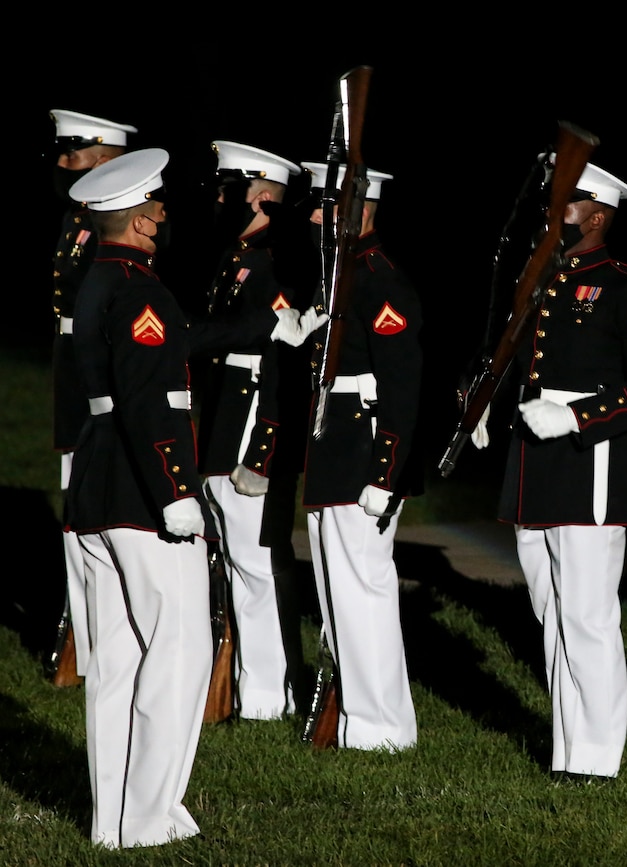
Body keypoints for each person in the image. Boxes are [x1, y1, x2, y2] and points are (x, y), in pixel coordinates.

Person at [65, 148, 311, 848]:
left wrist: (265, 328)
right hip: (145, 493)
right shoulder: (140, 287)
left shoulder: (101, 280)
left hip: (97, 486)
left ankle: (111, 820)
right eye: (161, 207)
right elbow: (151, 394)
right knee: (176, 652)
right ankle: (148, 818)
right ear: (141, 221)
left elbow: (176, 341)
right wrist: (176, 492)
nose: (167, 216)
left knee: (114, 660)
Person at [475, 158, 627, 781]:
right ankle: (569, 747)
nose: (549, 213)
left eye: (563, 203)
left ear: (596, 214)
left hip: (590, 465)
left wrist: (582, 417)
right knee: (551, 611)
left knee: (587, 615)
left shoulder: (626, 287)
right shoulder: (544, 280)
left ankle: (595, 757)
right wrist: (486, 401)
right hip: (536, 464)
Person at [300, 160, 424, 751]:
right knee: (334, 591)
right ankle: (354, 715)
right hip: (334, 447)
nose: (315, 216)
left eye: (325, 206)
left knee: (363, 590)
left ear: (358, 210)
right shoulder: (340, 278)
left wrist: (387, 470)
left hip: (364, 450)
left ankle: (382, 730)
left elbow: (402, 387)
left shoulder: (380, 281)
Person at [197, 140, 322, 720]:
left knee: (258, 563)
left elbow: (280, 363)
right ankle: (255, 689)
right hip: (224, 419)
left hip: (249, 424)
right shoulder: (240, 254)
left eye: (233, 189)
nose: (223, 199)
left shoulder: (275, 262)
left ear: (265, 196)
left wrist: (263, 453)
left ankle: (273, 694)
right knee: (237, 560)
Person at [47, 108, 138, 683]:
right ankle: (80, 635)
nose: (61, 161)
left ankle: (101, 638)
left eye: (73, 151)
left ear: (106, 157)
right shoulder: (77, 219)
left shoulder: (120, 225)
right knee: (73, 509)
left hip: (94, 372)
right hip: (70, 369)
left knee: (94, 512)